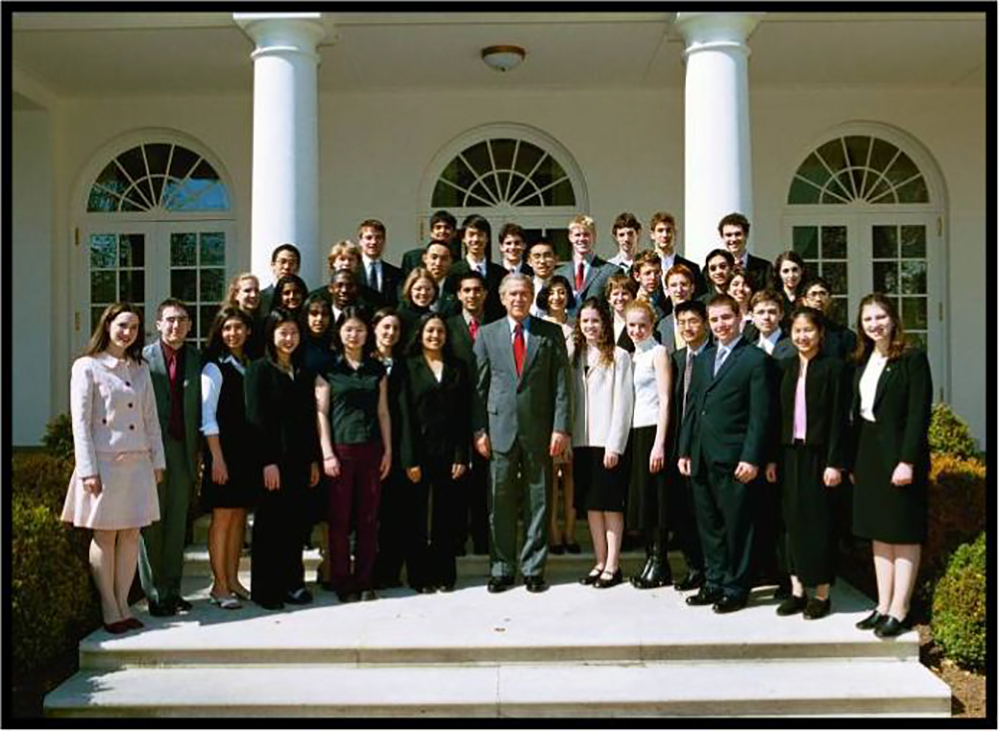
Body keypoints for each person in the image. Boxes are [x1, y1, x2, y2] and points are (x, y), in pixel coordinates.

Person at [62, 303, 165, 634]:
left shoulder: (140, 368)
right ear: (107, 326)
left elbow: (151, 418)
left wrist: (157, 460)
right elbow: (80, 423)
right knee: (105, 536)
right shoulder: (87, 367)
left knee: (132, 534)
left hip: (138, 463)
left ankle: (123, 603)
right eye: (122, 325)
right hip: (104, 464)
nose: (128, 332)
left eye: (134, 327)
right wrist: (87, 469)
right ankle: (109, 607)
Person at [474, 273, 572, 594]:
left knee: (539, 500)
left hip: (540, 430)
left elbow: (561, 386)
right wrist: (479, 430)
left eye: (525, 293)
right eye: (512, 294)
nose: (519, 298)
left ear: (532, 297)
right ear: (502, 299)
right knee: (499, 502)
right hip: (499, 430)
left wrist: (561, 427)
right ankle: (501, 568)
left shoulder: (550, 333)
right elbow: (480, 387)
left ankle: (533, 568)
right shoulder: (487, 334)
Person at [678, 293, 773, 613]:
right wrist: (685, 449)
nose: (720, 325)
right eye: (715, 319)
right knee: (709, 525)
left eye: (726, 318)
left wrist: (752, 457)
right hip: (701, 456)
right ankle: (714, 581)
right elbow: (693, 408)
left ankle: (736, 587)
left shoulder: (755, 359)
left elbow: (761, 415)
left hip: (735, 459)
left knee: (737, 526)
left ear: (739, 318)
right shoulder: (702, 358)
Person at [850, 294, 932, 638]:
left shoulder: (912, 358)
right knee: (879, 534)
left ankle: (901, 608)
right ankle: (882, 604)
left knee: (903, 533)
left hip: (899, 455)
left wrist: (907, 461)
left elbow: (918, 414)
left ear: (893, 319)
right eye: (868, 319)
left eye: (880, 317)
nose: (874, 325)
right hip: (869, 454)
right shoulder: (863, 359)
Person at [772, 307, 850, 621]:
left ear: (820, 333)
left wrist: (835, 462)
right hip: (789, 454)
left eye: (809, 330)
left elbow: (839, 421)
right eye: (797, 331)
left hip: (820, 456)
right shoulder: (784, 367)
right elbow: (776, 417)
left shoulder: (835, 369)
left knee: (818, 524)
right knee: (790, 523)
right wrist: (770, 460)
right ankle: (796, 590)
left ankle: (821, 593)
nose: (803, 336)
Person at [245, 310, 322, 610]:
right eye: (282, 333)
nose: (288, 339)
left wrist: (313, 461)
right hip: (272, 464)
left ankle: (293, 583)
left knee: (295, 526)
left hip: (299, 462)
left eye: (293, 333)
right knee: (269, 527)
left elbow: (307, 421)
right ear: (271, 335)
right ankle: (267, 589)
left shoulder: (302, 371)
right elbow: (256, 420)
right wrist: (267, 461)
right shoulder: (259, 370)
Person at [315, 307, 392, 603]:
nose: (354, 334)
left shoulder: (377, 369)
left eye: (359, 329)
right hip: (341, 450)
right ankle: (342, 581)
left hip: (372, 448)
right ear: (340, 334)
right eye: (348, 329)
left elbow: (384, 412)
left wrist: (388, 450)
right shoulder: (329, 369)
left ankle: (364, 580)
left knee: (369, 518)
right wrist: (327, 453)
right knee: (339, 519)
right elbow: (320, 413)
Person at [139, 299, 201, 617]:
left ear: (190, 325)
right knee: (152, 524)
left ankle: (173, 590)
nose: (176, 325)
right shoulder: (142, 359)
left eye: (182, 320)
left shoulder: (196, 359)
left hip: (183, 451)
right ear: (158, 323)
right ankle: (154, 592)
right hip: (151, 451)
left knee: (177, 524)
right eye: (170, 320)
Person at [402, 313, 471, 591]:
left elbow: (462, 415)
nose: (434, 336)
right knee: (417, 517)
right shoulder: (408, 367)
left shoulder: (458, 367)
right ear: (420, 334)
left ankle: (444, 575)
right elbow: (405, 415)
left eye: (440, 331)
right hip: (419, 453)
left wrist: (460, 455)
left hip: (448, 452)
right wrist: (409, 458)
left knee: (447, 516)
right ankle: (420, 577)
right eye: (429, 330)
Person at [199, 307, 258, 610]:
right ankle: (218, 585)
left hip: (246, 454)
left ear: (248, 331)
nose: (233, 333)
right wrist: (217, 459)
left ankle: (233, 579)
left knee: (238, 519)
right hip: (223, 453)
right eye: (227, 328)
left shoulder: (248, 364)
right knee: (222, 519)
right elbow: (207, 416)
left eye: (238, 327)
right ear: (219, 332)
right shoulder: (213, 368)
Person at [572, 299, 634, 588]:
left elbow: (623, 403)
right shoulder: (575, 354)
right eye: (585, 321)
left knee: (610, 505)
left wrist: (615, 445)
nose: (590, 326)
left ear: (605, 323)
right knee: (592, 507)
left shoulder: (619, 356)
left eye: (595, 321)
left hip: (607, 442)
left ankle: (613, 564)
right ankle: (599, 561)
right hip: (582, 442)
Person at [623, 299, 673, 589]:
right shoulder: (632, 355)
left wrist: (659, 444)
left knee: (657, 502)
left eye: (643, 325)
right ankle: (651, 560)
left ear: (652, 324)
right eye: (632, 325)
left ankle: (660, 562)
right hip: (635, 431)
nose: (637, 330)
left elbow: (665, 399)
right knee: (644, 502)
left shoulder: (658, 352)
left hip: (654, 430)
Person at [369, 308, 416, 588]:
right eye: (385, 327)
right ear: (374, 328)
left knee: (394, 515)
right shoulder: (362, 361)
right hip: (365, 445)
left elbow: (407, 412)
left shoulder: (405, 364)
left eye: (395, 329)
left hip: (397, 449)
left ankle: (389, 571)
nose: (390, 333)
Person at [446, 270, 492, 557]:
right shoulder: (448, 328)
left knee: (485, 481)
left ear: (485, 294)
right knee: (457, 477)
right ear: (459, 294)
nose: (472, 295)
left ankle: (483, 538)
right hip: (456, 413)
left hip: (490, 412)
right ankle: (457, 538)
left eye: (477, 290)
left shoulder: (496, 325)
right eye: (467, 290)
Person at [669, 300, 711, 591]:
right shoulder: (677, 358)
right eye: (682, 322)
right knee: (683, 512)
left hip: (708, 448)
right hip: (678, 446)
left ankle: (713, 570)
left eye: (693, 321)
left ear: (705, 323)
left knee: (708, 514)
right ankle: (695, 567)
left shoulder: (715, 357)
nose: (687, 327)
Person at [535, 275, 578, 555]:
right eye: (553, 293)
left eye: (563, 292)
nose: (558, 297)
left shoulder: (577, 326)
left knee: (572, 472)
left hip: (576, 400)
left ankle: (570, 533)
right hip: (549, 403)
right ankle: (552, 533)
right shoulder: (538, 327)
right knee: (552, 473)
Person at [446, 215, 507, 322]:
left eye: (480, 235)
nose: (476, 239)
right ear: (464, 239)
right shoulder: (453, 272)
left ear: (487, 238)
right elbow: (450, 307)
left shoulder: (500, 273)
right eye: (471, 235)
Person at [555, 215, 616, 316]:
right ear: (570, 237)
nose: (582, 239)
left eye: (586, 234)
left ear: (594, 236)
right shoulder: (558, 274)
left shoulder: (611, 271)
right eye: (577, 235)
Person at [649, 211, 706, 303]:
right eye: (660, 230)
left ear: (675, 233)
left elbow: (700, 299)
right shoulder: (642, 266)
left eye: (668, 230)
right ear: (652, 235)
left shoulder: (692, 268)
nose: (665, 235)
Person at [801, 277, 858, 360]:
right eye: (813, 294)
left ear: (830, 299)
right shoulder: (796, 335)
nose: (818, 299)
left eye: (823, 294)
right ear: (804, 301)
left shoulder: (846, 336)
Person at [717, 212, 773, 292]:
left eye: (738, 234)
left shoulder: (765, 268)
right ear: (722, 237)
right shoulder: (713, 270)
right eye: (728, 235)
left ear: (746, 235)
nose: (733, 239)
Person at [358, 219, 403, 309]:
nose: (374, 242)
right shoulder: (352, 272)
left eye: (378, 237)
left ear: (384, 241)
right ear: (360, 241)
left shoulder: (396, 274)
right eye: (369, 238)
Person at [401, 210, 459, 276]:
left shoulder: (459, 262)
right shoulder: (412, 258)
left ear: (454, 233)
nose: (442, 231)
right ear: (431, 232)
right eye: (438, 227)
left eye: (447, 227)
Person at [656, 263, 698, 352]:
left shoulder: (705, 319)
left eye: (683, 284)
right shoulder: (662, 325)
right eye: (673, 285)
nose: (679, 290)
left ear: (692, 288)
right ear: (667, 290)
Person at [745, 290, 796, 358]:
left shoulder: (794, 347)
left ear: (781, 315)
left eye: (772, 312)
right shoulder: (749, 349)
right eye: (761, 312)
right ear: (752, 316)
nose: (766, 317)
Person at [227, 272, 265, 359]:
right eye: (247, 291)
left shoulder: (262, 323)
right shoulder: (226, 320)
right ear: (236, 294)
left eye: (256, 290)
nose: (253, 295)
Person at [397, 266, 440, 344]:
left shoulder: (436, 318)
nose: (423, 293)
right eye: (418, 289)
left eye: (428, 289)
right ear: (409, 290)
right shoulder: (399, 318)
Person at [299, 293, 336, 375]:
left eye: (325, 314)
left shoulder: (336, 344)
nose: (319, 319)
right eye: (314, 313)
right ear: (306, 316)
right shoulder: (297, 344)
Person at [259, 243, 302, 314]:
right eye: (282, 262)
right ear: (273, 265)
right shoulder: (261, 299)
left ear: (298, 267)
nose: (287, 267)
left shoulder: (304, 298)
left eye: (291, 263)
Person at [604, 271, 639, 353]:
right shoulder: (604, 324)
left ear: (633, 297)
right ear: (609, 299)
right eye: (615, 294)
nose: (620, 298)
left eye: (624, 293)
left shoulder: (640, 324)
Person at [772, 250, 808, 319]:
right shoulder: (774, 296)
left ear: (802, 270)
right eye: (786, 271)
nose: (791, 275)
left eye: (795, 270)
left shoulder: (808, 295)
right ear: (779, 274)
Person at [527, 240, 557, 316]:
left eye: (547, 256)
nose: (542, 261)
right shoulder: (523, 288)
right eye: (537, 256)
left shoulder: (566, 287)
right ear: (529, 261)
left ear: (556, 259)